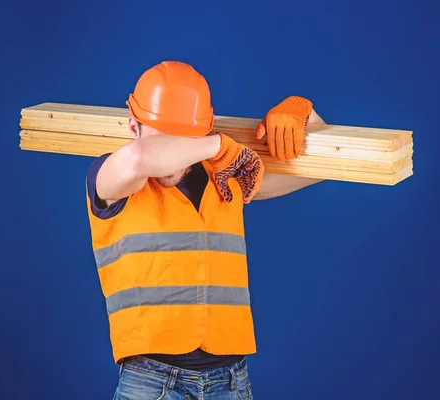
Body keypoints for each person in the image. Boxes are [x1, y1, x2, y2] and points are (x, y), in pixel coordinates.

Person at [85, 60, 325, 400]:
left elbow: (318, 168)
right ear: (133, 127)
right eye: (163, 137)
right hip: (152, 383)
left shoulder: (228, 179)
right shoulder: (111, 179)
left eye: (183, 137)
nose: (174, 149)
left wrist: (303, 113)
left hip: (230, 382)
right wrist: (216, 145)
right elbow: (140, 158)